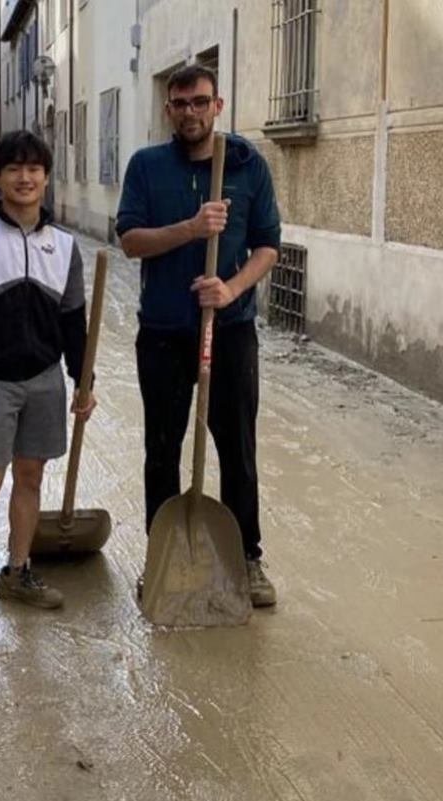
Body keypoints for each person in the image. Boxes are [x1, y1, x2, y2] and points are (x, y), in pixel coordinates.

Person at [116, 63, 282, 608]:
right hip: (163, 332)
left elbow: (267, 246)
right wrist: (191, 228)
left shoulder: (248, 166)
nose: (191, 111)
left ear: (219, 105)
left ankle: (247, 559)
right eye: (180, 103)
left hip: (228, 332)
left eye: (200, 101)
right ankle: (162, 559)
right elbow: (131, 241)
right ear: (168, 109)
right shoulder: (146, 167)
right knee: (161, 450)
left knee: (237, 449)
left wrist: (230, 290)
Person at [0, 131, 96, 641]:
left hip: (45, 380)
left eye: (34, 169)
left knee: (31, 479)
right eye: (13, 168)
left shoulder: (65, 245)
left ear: (46, 177)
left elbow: (76, 322)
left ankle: (18, 571)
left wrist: (82, 381)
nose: (25, 178)